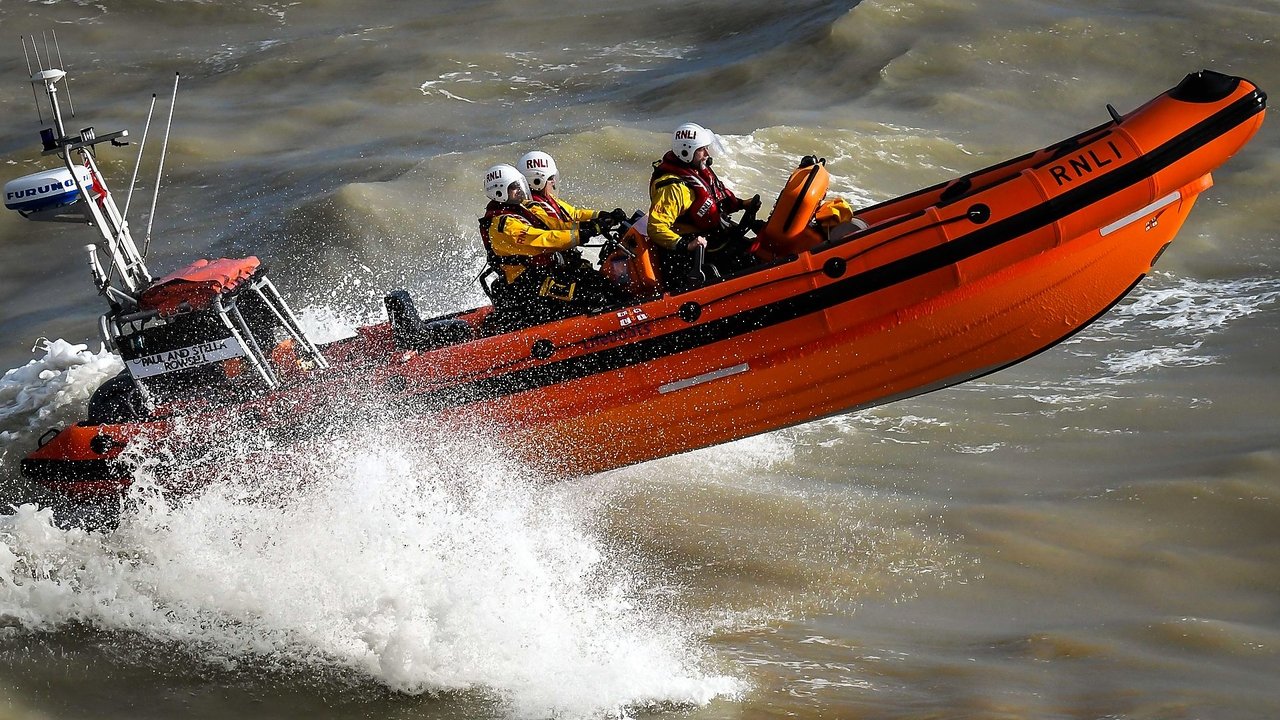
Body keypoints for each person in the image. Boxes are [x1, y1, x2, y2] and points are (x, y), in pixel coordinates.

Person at [478, 164, 628, 329]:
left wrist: (596, 222)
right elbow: (543, 239)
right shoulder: (503, 225)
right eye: (514, 187)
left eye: (519, 185)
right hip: (529, 284)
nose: (520, 190)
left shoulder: (522, 209)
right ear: (498, 192)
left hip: (545, 274)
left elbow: (558, 225)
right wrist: (580, 235)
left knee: (600, 283)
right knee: (593, 296)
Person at [647, 122, 761, 292]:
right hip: (690, 251)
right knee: (748, 260)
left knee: (755, 247)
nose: (707, 154)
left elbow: (715, 201)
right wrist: (685, 245)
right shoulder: (673, 188)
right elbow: (655, 227)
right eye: (702, 149)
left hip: (710, 239)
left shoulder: (698, 172)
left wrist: (742, 204)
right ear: (686, 151)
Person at [518, 150, 628, 230]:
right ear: (537, 181)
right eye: (550, 178)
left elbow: (574, 214)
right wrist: (590, 226)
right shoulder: (531, 207)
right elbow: (557, 227)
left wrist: (602, 215)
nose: (554, 182)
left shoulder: (547, 198)